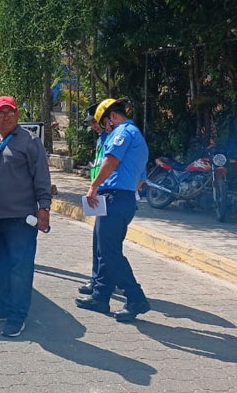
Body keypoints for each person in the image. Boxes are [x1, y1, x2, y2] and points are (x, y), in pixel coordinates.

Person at [0, 96, 52, 338]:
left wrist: (44, 208)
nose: (5, 116)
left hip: (20, 218)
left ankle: (18, 316)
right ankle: (4, 307)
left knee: (20, 268)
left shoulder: (30, 142)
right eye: (0, 113)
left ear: (17, 115)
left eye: (10, 112)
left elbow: (41, 176)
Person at [75, 98, 151, 323]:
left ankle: (135, 296)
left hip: (115, 198)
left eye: (104, 123)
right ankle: (100, 297)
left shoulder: (123, 133)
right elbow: (139, 179)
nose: (103, 128)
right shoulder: (136, 136)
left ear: (112, 117)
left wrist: (94, 186)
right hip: (121, 198)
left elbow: (111, 161)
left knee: (109, 252)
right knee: (104, 248)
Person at [78, 103, 108, 296]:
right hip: (100, 196)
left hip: (107, 194)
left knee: (105, 244)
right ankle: (97, 278)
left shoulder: (113, 138)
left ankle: (105, 280)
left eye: (95, 121)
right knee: (99, 242)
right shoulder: (101, 139)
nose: (93, 126)